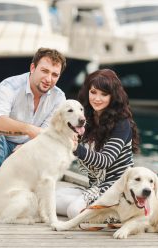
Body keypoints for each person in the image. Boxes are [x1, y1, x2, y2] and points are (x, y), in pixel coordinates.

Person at [56, 68, 140, 219]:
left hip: (117, 189)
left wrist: (76, 148)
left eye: (104, 94)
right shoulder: (85, 118)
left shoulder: (122, 123)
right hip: (95, 188)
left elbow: (105, 161)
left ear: (113, 96)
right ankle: (99, 212)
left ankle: (116, 216)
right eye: (93, 92)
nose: (97, 98)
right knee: (50, 199)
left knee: (73, 211)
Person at [0, 47, 67, 184]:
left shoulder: (59, 98)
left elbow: (49, 134)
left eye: (54, 75)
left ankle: (23, 190)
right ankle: (1, 189)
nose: (48, 79)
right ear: (33, 68)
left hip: (31, 148)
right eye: (44, 71)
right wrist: (29, 129)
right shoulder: (9, 86)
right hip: (1, 147)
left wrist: (26, 146)